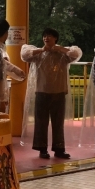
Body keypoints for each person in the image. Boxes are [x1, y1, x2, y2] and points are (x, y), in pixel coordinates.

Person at [21, 29, 82, 160]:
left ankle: (59, 149)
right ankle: (42, 149)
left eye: (49, 36)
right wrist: (41, 50)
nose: (46, 38)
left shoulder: (63, 55)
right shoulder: (38, 54)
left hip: (59, 92)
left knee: (58, 123)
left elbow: (76, 54)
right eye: (44, 36)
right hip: (41, 92)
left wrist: (59, 49)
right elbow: (24, 55)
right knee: (41, 123)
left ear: (55, 38)